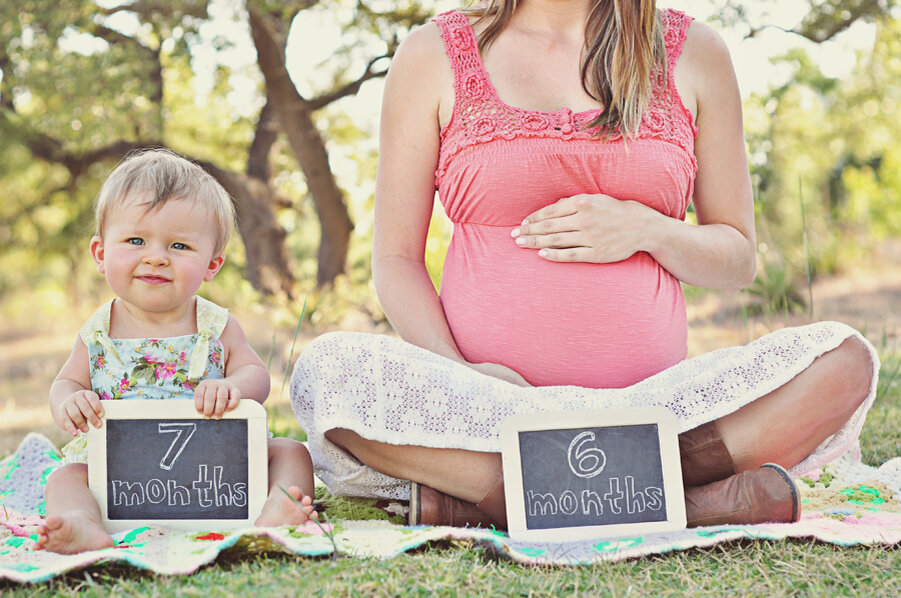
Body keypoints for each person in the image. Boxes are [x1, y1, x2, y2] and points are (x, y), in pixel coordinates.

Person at [290, 0, 878, 530]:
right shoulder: (431, 54)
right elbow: (395, 261)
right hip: (486, 407)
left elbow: (736, 258)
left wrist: (647, 228)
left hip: (658, 407)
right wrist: (460, 373)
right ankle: (686, 501)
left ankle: (495, 501)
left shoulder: (696, 51)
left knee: (845, 361)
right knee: (328, 374)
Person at [36, 149, 317, 554]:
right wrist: (70, 399)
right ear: (101, 253)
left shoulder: (215, 324)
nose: (155, 257)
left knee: (290, 452)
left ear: (211, 265)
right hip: (118, 468)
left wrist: (232, 386)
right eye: (135, 240)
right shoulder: (98, 331)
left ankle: (279, 506)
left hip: (215, 464)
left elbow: (256, 374)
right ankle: (83, 524)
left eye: (180, 246)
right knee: (64, 478)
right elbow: (66, 382)